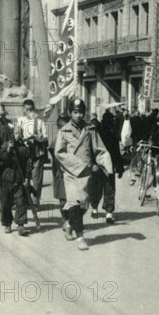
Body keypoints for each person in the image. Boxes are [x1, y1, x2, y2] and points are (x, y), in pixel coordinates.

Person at [55, 98, 112, 250]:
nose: (78, 115)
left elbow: (99, 149)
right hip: (71, 173)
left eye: (81, 112)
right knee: (74, 205)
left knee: (84, 206)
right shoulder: (64, 131)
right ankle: (80, 237)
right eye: (75, 112)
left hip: (87, 175)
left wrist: (107, 166)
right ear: (69, 113)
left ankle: (69, 224)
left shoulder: (90, 129)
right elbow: (59, 153)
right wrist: (79, 165)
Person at [90, 111, 124, 223]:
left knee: (96, 188)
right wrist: (120, 168)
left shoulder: (96, 133)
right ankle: (109, 213)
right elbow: (116, 152)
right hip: (109, 166)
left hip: (98, 165)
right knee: (109, 189)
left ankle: (94, 209)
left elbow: (91, 150)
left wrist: (92, 164)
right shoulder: (112, 133)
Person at [15, 99, 48, 208]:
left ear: (34, 109)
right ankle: (24, 199)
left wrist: (38, 138)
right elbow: (16, 136)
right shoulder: (19, 121)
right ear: (23, 109)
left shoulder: (40, 122)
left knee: (37, 179)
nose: (28, 112)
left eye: (31, 109)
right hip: (24, 153)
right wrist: (20, 137)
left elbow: (46, 138)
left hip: (37, 152)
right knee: (24, 177)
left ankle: (35, 199)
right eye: (26, 109)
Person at [48, 113, 70, 227]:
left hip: (73, 175)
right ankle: (66, 220)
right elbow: (54, 157)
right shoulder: (56, 141)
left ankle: (71, 221)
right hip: (60, 175)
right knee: (63, 201)